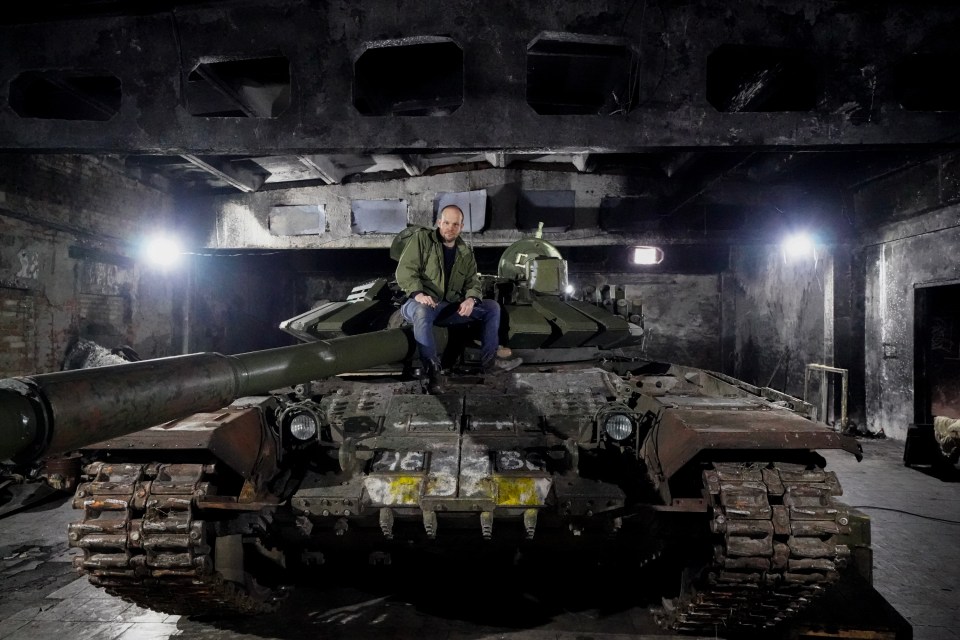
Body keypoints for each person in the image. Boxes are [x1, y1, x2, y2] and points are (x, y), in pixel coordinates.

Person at [396, 204, 521, 392]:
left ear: (461, 227)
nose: (450, 228)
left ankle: (489, 363)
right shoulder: (421, 239)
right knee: (422, 311)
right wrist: (418, 294)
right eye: (446, 223)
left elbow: (473, 282)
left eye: (455, 224)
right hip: (417, 304)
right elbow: (405, 270)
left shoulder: (465, 251)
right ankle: (433, 372)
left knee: (492, 307)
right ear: (439, 222)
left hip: (446, 308)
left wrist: (471, 299)